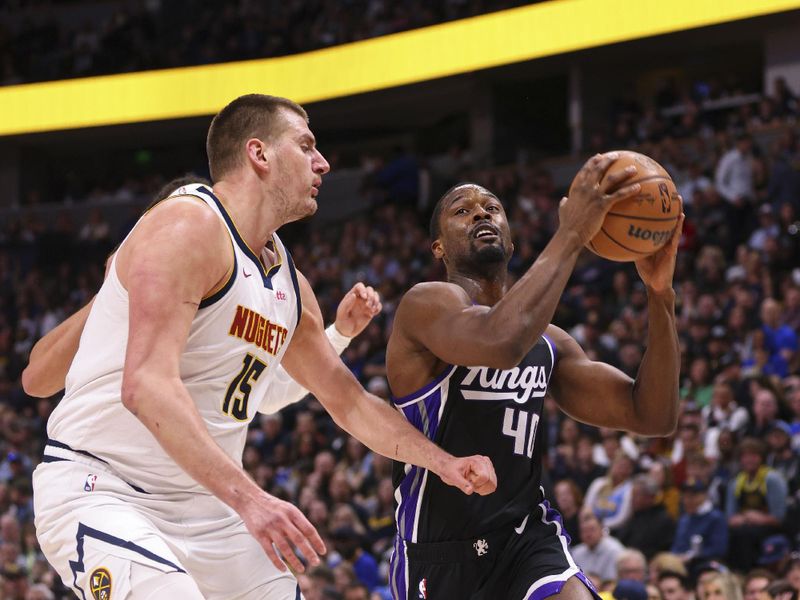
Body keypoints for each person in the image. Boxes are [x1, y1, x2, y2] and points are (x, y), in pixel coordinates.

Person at [25, 94, 496, 600]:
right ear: (259, 154)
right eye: (307, 145)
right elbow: (145, 385)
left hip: (207, 509)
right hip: (106, 489)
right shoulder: (186, 226)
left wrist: (442, 462)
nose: (324, 162)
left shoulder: (291, 286)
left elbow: (351, 403)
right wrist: (252, 500)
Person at [385, 152, 683, 600]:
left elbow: (652, 414)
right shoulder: (425, 305)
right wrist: (572, 233)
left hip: (525, 536)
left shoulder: (550, 343)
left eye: (492, 208)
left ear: (511, 239)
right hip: (439, 551)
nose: (481, 212)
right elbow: (500, 343)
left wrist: (660, 295)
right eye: (461, 211)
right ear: (439, 248)